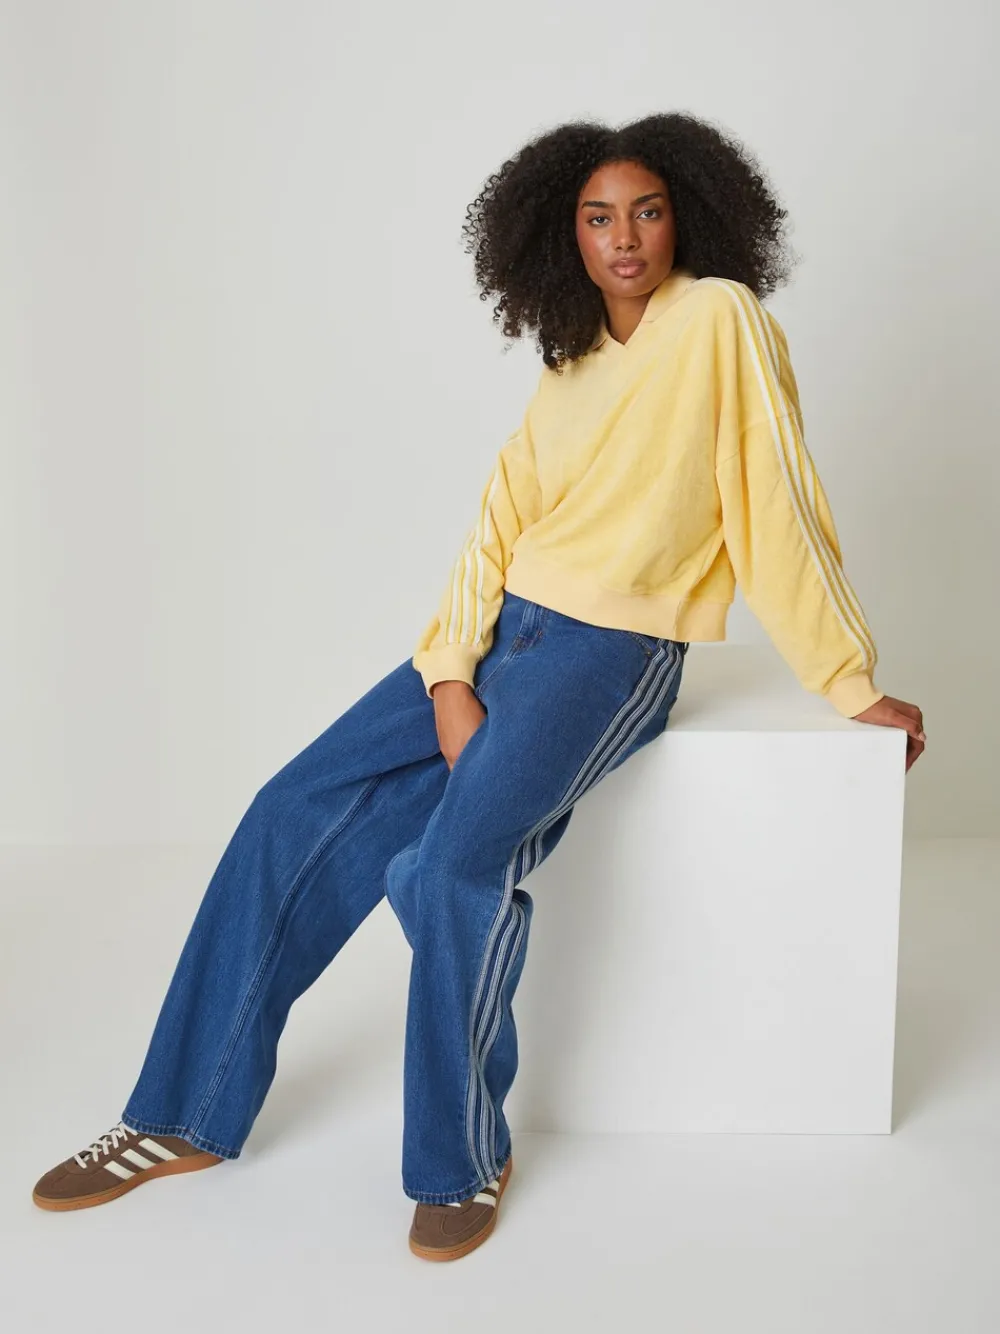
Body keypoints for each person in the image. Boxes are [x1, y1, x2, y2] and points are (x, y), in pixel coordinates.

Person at [31, 111, 925, 1261]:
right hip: (505, 630)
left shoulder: (720, 319)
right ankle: (180, 1111)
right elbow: (496, 526)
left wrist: (848, 679)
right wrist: (451, 673)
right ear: (565, 235)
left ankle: (462, 1158)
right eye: (597, 218)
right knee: (286, 807)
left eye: (645, 212)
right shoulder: (568, 361)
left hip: (613, 650)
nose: (623, 238)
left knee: (450, 866)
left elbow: (778, 499)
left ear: (684, 219)